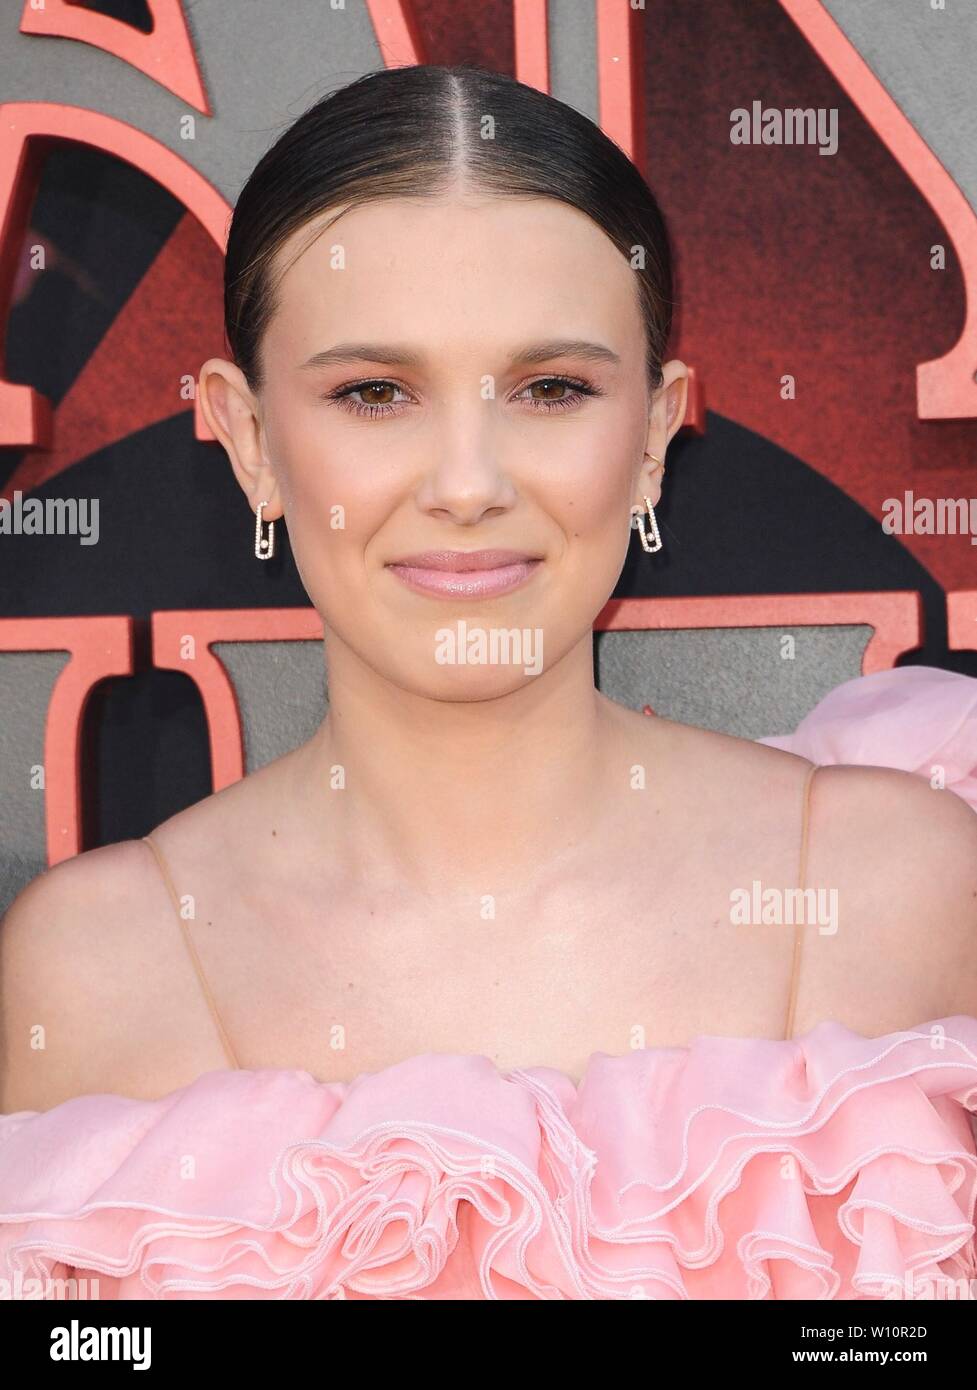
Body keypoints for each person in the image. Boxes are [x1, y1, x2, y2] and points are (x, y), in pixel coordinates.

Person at [1, 64, 976, 1301]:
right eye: (373, 393)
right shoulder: (99, 973)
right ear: (248, 439)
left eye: (549, 390)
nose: (466, 482)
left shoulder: (894, 890)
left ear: (653, 433)